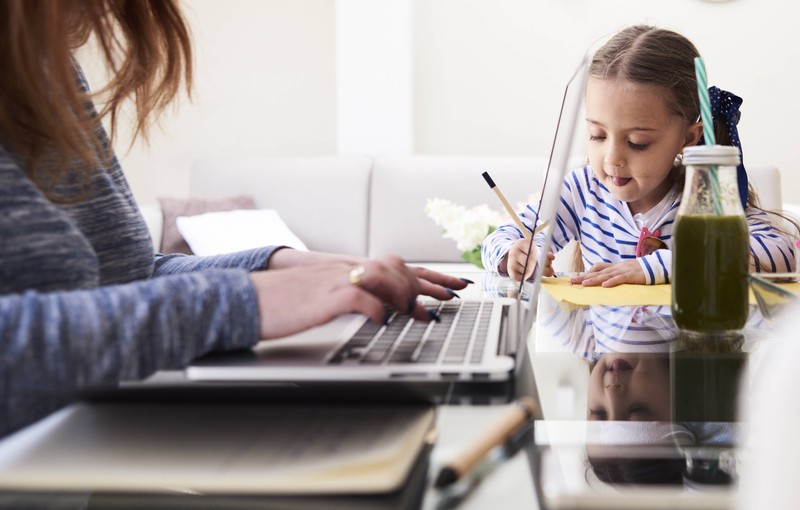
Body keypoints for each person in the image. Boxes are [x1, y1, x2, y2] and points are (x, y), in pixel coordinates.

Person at [0, 0, 469, 437]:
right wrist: (239, 301)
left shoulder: (46, 60)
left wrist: (279, 266)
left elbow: (119, 280)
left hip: (81, 461)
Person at [482, 25, 797, 286]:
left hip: (688, 356)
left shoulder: (708, 197)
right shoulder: (581, 191)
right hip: (602, 354)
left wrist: (661, 266)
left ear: (688, 138)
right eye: (597, 135)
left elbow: (780, 251)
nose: (612, 158)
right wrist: (514, 254)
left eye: (637, 142)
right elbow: (503, 237)